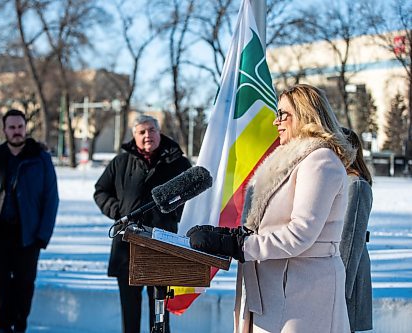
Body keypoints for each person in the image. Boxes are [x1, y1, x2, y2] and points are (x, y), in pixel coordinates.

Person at [187, 84, 355, 333]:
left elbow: (300, 233)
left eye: (282, 114)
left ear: (306, 114)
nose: (276, 122)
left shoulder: (320, 161)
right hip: (276, 288)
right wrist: (233, 236)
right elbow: (271, 223)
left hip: (302, 291)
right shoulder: (292, 159)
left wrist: (240, 246)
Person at [94, 114, 192, 333]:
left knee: (159, 314)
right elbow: (101, 191)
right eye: (142, 132)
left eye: (152, 130)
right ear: (134, 136)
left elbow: (193, 199)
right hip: (127, 246)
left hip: (162, 246)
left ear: (160, 132)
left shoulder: (178, 162)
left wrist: (176, 215)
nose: (148, 135)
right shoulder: (120, 163)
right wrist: (117, 211)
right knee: (130, 312)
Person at [0, 109, 59, 333]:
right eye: (12, 127)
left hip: (27, 234)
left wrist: (43, 234)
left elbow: (51, 199)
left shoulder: (40, 158)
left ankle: (20, 325)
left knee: (24, 284)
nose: (16, 131)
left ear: (25, 128)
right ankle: (3, 326)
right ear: (4, 130)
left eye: (20, 127)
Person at [340, 128, 373, 332]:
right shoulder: (341, 182)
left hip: (348, 278)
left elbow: (350, 241)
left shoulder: (356, 185)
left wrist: (339, 291)